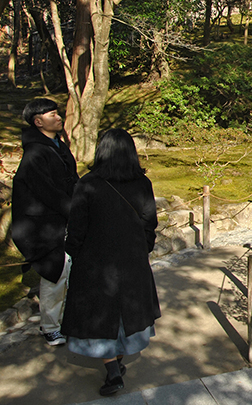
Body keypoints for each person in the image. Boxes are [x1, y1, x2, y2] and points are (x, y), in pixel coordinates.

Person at [61, 128, 160, 396]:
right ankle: (117, 361)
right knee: (126, 312)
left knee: (100, 315)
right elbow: (149, 223)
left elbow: (77, 227)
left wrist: (75, 253)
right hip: (132, 260)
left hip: (96, 262)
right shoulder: (142, 183)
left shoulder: (88, 183)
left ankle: (113, 371)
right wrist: (142, 249)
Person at [11, 98, 79, 346]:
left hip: (61, 220)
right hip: (43, 226)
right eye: (53, 114)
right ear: (38, 121)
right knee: (55, 273)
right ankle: (50, 326)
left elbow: (72, 179)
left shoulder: (57, 146)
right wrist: (75, 210)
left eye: (57, 113)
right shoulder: (35, 153)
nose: (59, 117)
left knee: (66, 272)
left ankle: (63, 320)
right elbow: (46, 192)